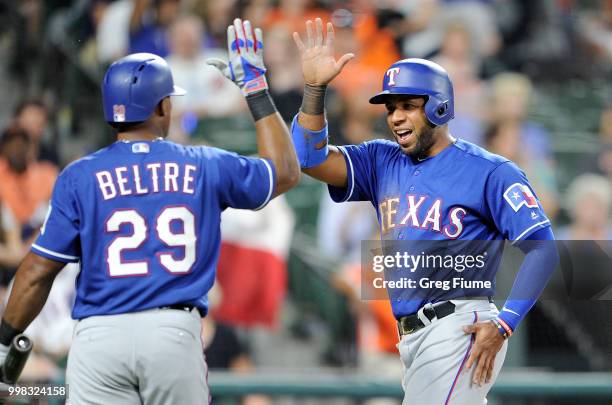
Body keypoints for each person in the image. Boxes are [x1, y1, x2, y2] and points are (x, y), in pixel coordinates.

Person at [0, 18, 299, 404]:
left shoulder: (79, 175)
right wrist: (257, 90)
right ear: (161, 105)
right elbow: (287, 172)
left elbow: (38, 271)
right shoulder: (204, 163)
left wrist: (6, 339)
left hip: (98, 338)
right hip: (171, 334)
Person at [290, 18, 558, 404]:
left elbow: (543, 248)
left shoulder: (489, 171)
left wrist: (506, 323)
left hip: (458, 326)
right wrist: (314, 89)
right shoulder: (381, 159)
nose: (396, 116)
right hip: (412, 336)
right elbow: (308, 158)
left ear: (438, 107)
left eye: (409, 106)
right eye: (391, 107)